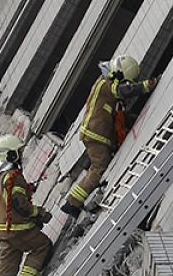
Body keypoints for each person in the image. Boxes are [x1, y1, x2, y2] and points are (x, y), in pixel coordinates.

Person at [60, 55, 155, 217]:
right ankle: (72, 204)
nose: (127, 83)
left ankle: (74, 201)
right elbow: (122, 91)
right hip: (95, 134)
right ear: (120, 74)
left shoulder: (104, 83)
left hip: (96, 133)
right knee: (98, 168)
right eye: (126, 80)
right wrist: (147, 86)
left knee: (96, 167)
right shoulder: (106, 84)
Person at [0, 134, 52, 276]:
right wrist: (39, 213)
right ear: (10, 156)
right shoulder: (14, 176)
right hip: (18, 229)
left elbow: (10, 198)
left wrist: (26, 189)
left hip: (4, 230)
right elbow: (19, 204)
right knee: (42, 245)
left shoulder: (0, 177)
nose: (21, 156)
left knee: (8, 262)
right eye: (18, 152)